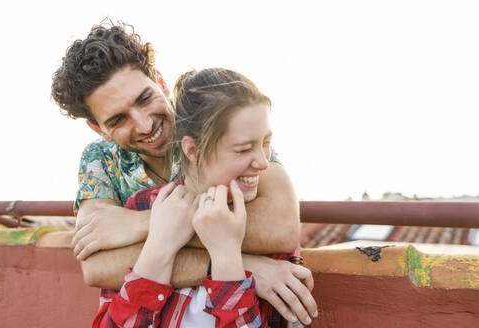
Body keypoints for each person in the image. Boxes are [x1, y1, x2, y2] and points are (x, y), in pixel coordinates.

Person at [51, 21, 317, 325]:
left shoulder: (212, 121)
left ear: (160, 81)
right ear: (98, 129)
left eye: (144, 99)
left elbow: (279, 228)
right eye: (118, 119)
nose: (144, 124)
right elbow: (99, 266)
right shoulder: (99, 159)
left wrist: (143, 224)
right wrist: (245, 266)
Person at [94, 67, 293, 327]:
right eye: (243, 149)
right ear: (193, 150)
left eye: (266, 142)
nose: (263, 162)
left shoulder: (264, 217)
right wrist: (159, 247)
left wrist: (226, 257)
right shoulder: (141, 205)